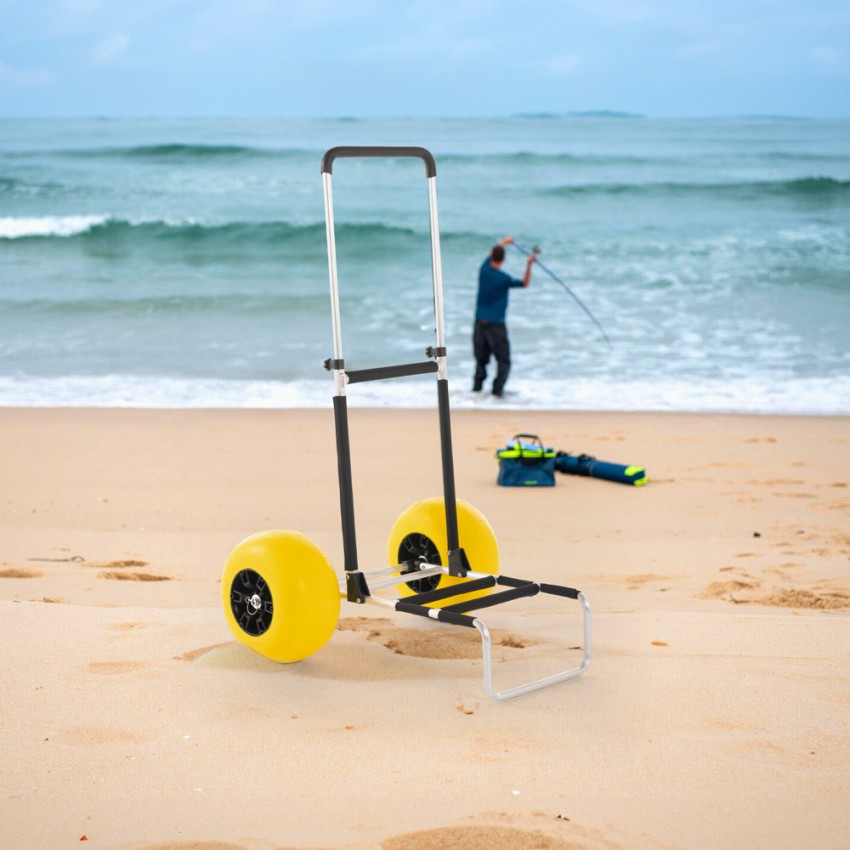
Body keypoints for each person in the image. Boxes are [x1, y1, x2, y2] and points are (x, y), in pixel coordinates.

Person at [472, 236, 536, 397]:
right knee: (504, 361)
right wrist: (529, 264)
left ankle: (476, 391)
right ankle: (497, 392)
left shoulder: (484, 270)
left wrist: (502, 243)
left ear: (492, 256)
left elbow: (491, 254)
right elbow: (525, 283)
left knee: (481, 361)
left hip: (479, 323)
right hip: (496, 325)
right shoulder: (504, 279)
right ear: (504, 260)